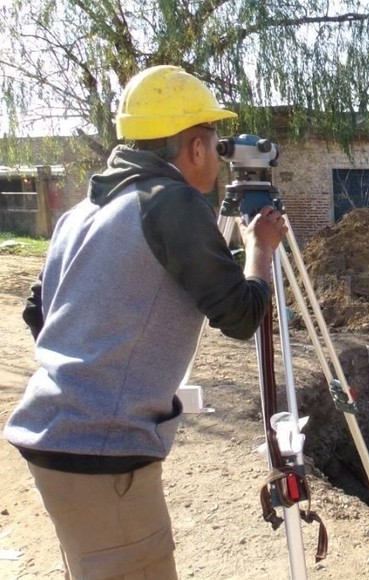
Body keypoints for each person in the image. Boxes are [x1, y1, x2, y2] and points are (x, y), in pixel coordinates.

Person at [4, 65, 287, 579]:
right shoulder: (170, 202)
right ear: (196, 149)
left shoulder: (84, 211)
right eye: (213, 143)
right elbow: (242, 314)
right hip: (102, 456)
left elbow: (35, 312)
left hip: (52, 442)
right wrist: (260, 250)